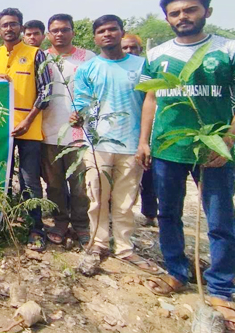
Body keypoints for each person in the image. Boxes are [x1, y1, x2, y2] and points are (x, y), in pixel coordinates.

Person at [137, 0, 235, 332]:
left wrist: (227, 142)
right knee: (168, 214)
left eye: (190, 10)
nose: (182, 17)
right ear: (167, 18)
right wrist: (144, 141)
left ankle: (220, 289)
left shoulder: (230, 49)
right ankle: (175, 271)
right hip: (168, 148)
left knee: (220, 220)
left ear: (207, 11)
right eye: (175, 13)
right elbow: (151, 101)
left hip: (213, 150)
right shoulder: (157, 54)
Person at [71, 14, 160, 274]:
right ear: (96, 37)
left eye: (112, 30)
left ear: (122, 32)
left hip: (132, 144)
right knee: (97, 197)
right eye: (101, 31)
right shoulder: (88, 69)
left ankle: (124, 246)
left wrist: (145, 141)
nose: (107, 34)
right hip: (98, 143)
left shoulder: (142, 66)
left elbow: (149, 102)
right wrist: (77, 116)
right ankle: (98, 243)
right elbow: (82, 101)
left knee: (125, 200)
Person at [0, 7, 51, 251]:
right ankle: (3, 223)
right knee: (0, 177)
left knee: (30, 180)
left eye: (13, 24)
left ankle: (35, 227)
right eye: (4, 25)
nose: (9, 29)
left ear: (21, 28)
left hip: (28, 130)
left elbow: (45, 92)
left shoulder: (36, 54)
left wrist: (28, 121)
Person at [40, 14, 95, 246]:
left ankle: (81, 223)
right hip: (48, 130)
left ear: (73, 32)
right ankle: (60, 221)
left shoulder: (88, 58)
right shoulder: (41, 57)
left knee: (80, 182)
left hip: (79, 133)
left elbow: (96, 93)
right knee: (54, 183)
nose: (60, 34)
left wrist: (86, 114)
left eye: (65, 29)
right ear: (48, 35)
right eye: (55, 30)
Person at [121, 33, 157, 226]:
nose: (129, 51)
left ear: (140, 49)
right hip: (122, 130)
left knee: (148, 172)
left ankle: (150, 213)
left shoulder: (147, 68)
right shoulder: (116, 67)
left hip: (146, 128)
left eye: (133, 47)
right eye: (125, 48)